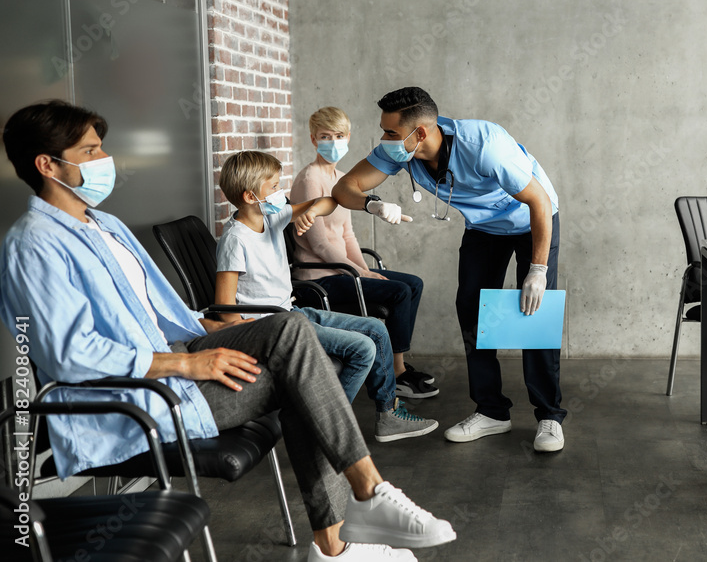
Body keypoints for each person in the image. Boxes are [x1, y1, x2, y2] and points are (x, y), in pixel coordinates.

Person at [0, 101, 455, 562]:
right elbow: (69, 354)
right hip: (132, 397)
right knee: (304, 379)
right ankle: (344, 531)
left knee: (291, 329)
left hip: (174, 351)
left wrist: (207, 328)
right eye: (91, 151)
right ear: (47, 164)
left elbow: (148, 312)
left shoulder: (104, 225)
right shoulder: (33, 245)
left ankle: (354, 516)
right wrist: (187, 361)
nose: (104, 161)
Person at [331, 87, 566, 452]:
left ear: (420, 132)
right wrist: (372, 204)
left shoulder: (484, 145)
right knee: (471, 309)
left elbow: (538, 200)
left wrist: (537, 269)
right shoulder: (403, 152)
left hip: (532, 220)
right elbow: (344, 187)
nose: (384, 140)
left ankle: (549, 415)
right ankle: (492, 412)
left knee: (534, 314)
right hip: (484, 228)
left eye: (390, 132)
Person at [216, 150, 437, 443]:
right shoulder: (235, 240)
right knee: (362, 349)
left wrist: (310, 211)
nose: (280, 192)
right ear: (249, 197)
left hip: (292, 313)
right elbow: (224, 307)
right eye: (273, 187)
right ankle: (322, 427)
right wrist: (252, 344)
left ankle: (387, 416)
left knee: (377, 329)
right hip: (275, 328)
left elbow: (330, 201)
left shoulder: (270, 217)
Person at [291, 107, 437, 399]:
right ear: (313, 139)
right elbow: (320, 244)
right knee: (398, 292)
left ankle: (398, 366)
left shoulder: (343, 178)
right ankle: (397, 373)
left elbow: (347, 235)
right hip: (319, 277)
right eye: (325, 136)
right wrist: (360, 272)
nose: (333, 142)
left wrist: (364, 268)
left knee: (413, 284)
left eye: (339, 135)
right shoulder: (310, 179)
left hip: (341, 269)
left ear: (348, 137)